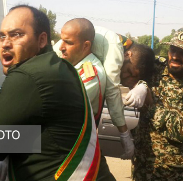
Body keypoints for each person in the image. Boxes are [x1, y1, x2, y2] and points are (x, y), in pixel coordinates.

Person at [0, 5, 100, 181]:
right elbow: (49, 136)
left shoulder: (29, 74)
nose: (5, 43)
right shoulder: (60, 67)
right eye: (2, 36)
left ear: (42, 40)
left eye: (17, 35)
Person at [132, 27, 183, 181]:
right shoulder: (156, 68)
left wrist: (151, 108)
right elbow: (131, 64)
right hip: (142, 163)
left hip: (174, 173)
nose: (175, 57)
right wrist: (142, 85)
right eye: (173, 50)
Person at [54, 26, 147, 160]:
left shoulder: (90, 67)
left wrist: (143, 84)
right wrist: (124, 133)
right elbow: (112, 90)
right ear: (128, 55)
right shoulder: (94, 72)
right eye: (130, 72)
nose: (127, 78)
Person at [59, 18, 115, 181]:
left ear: (86, 46)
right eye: (62, 40)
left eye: (68, 43)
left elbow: (56, 112)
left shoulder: (89, 74)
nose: (62, 47)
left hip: (72, 152)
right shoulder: (71, 65)